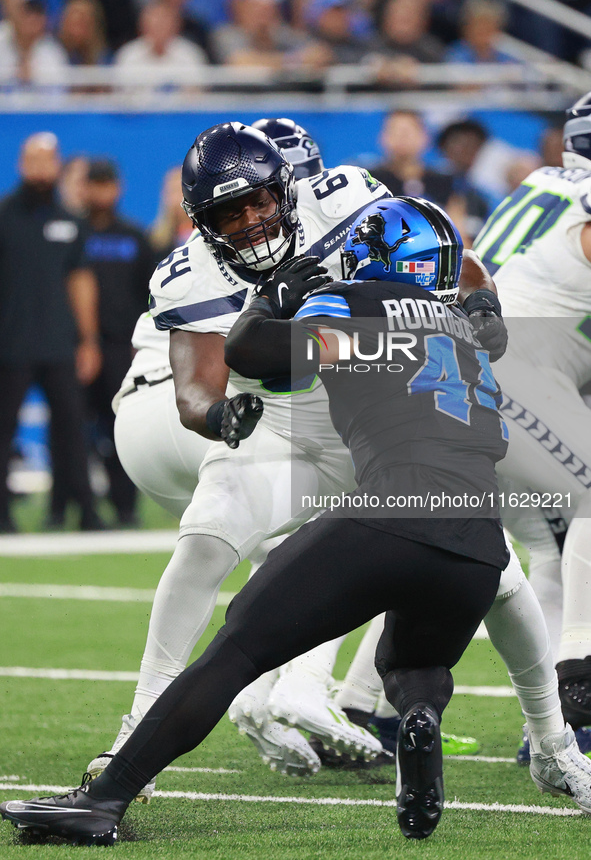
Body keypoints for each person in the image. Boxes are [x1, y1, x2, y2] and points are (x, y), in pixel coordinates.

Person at [4, 198, 591, 846]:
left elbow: (248, 352)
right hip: (478, 542)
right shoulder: (465, 331)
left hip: (390, 514)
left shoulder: (349, 305)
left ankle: (103, 799)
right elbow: (482, 331)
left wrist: (271, 297)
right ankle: (420, 713)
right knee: (412, 662)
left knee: (234, 653)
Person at [80, 122, 391, 800]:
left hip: (218, 419)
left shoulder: (345, 206)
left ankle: (254, 694)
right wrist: (221, 416)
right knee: (297, 539)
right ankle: (294, 688)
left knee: (287, 547)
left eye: (261, 202)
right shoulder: (191, 271)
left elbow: (437, 254)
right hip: (184, 409)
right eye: (230, 212)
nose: (251, 222)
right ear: (201, 220)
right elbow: (199, 390)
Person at [472, 91, 591, 753]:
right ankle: (577, 677)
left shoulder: (542, 185)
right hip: (510, 375)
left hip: (472, 375)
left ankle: (549, 728)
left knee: (550, 548)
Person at [0, 132, 102, 532]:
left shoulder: (70, 221)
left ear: (57, 165)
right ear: (22, 165)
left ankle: (86, 513)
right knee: (3, 430)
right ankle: (2, 514)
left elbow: (80, 282)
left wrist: (88, 340)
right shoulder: (4, 216)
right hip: (11, 344)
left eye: (48, 161)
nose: (41, 169)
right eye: (34, 161)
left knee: (72, 431)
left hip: (61, 344)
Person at [81, 158, 157, 527]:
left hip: (121, 347)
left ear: (117, 188)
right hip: (78, 347)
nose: (101, 193)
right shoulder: (74, 233)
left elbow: (151, 294)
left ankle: (125, 507)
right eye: (94, 185)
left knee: (120, 427)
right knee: (73, 430)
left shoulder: (133, 236)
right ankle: (75, 508)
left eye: (107, 185)